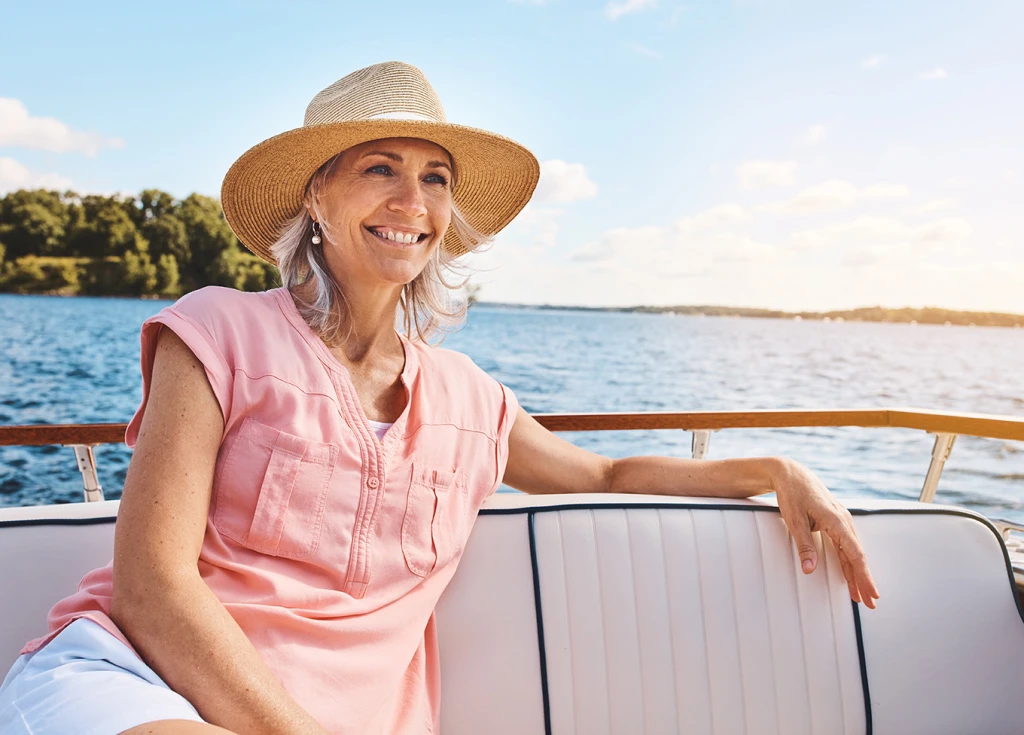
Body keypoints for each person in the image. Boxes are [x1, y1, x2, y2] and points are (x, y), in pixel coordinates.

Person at [0, 61, 878, 735]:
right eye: (379, 167)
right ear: (318, 195)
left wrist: (776, 467)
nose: (410, 200)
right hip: (137, 688)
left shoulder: (470, 400)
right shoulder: (216, 332)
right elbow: (152, 588)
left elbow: (605, 468)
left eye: (434, 178)